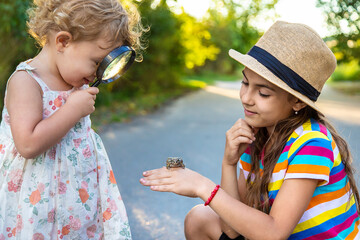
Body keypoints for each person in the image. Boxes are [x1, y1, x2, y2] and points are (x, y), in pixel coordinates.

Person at [140, 21, 360, 239]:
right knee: (199, 218)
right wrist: (229, 162)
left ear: (297, 102)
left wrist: (202, 186)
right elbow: (232, 230)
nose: (246, 98)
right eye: (245, 83)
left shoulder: (313, 144)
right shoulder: (257, 135)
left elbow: (273, 233)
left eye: (263, 93)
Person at [0, 0, 145, 238]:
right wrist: (72, 110)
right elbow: (27, 144)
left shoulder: (74, 82)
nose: (97, 73)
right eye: (96, 62)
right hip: (35, 202)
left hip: (75, 199)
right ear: (63, 41)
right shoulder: (26, 81)